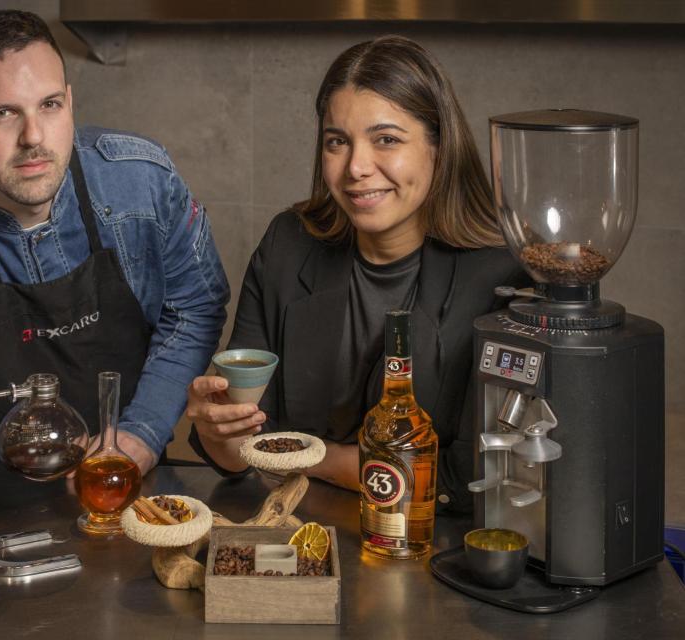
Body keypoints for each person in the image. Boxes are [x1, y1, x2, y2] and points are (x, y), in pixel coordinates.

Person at [0, 10, 229, 613]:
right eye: (3, 113)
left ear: (71, 102)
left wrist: (137, 434)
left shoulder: (140, 181)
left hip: (136, 511)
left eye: (51, 105)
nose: (34, 136)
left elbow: (194, 304)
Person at [187, 36, 528, 509]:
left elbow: (465, 478)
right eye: (337, 142)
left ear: (439, 146)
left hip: (431, 546)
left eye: (386, 139)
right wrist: (216, 429)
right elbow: (244, 449)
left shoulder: (508, 274)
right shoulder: (288, 245)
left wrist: (308, 455)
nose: (356, 168)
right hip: (299, 530)